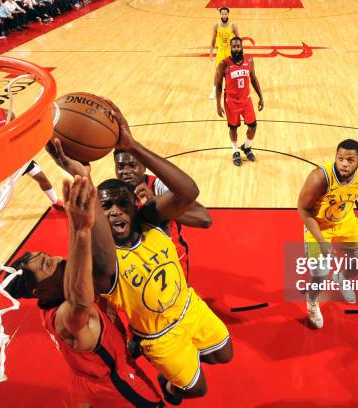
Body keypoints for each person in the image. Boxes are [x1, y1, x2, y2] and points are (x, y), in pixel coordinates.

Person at [45, 100, 232, 405]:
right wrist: (84, 178)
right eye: (106, 206)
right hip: (159, 336)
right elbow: (98, 238)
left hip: (189, 307)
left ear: (136, 206)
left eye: (123, 203)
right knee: (197, 390)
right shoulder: (106, 266)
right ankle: (170, 384)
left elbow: (190, 193)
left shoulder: (149, 223)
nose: (115, 211)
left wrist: (132, 145)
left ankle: (181, 364)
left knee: (224, 355)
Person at [7, 175, 163, 407]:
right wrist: (79, 229)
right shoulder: (66, 317)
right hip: (117, 386)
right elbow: (79, 303)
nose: (58, 259)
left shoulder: (59, 288)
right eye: (47, 264)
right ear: (39, 291)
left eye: (48, 256)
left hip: (90, 379)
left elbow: (98, 263)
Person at [297, 139, 358, 328]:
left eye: (350, 160)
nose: (344, 163)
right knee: (320, 274)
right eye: (340, 158)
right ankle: (312, 301)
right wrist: (321, 242)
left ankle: (341, 277)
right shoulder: (319, 178)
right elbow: (302, 209)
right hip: (318, 226)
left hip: (346, 221)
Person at [0, 87, 63, 228]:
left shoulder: (7, 114)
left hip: (11, 157)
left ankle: (55, 201)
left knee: (41, 177)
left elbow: (18, 134)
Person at [114, 149, 212, 275]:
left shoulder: (158, 186)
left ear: (144, 167)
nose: (126, 172)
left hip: (171, 257)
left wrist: (157, 205)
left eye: (133, 166)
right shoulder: (113, 193)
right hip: (140, 263)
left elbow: (204, 219)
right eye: (120, 167)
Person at [214, 36, 264, 167]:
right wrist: (218, 104)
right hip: (231, 102)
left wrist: (261, 97)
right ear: (230, 48)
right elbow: (218, 85)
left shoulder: (249, 60)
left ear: (242, 47)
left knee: (253, 126)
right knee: (233, 128)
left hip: (246, 100)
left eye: (238, 46)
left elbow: (254, 79)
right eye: (234, 46)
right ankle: (235, 151)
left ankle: (246, 147)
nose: (236, 49)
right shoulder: (224, 63)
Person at [208, 6, 238, 99]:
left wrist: (239, 52)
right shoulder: (216, 26)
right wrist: (211, 52)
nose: (224, 15)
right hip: (220, 51)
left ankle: (234, 91)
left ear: (228, 14)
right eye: (222, 14)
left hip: (229, 52)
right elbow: (213, 39)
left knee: (232, 72)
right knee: (217, 72)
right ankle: (214, 90)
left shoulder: (233, 26)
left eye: (225, 14)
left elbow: (238, 39)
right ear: (220, 14)